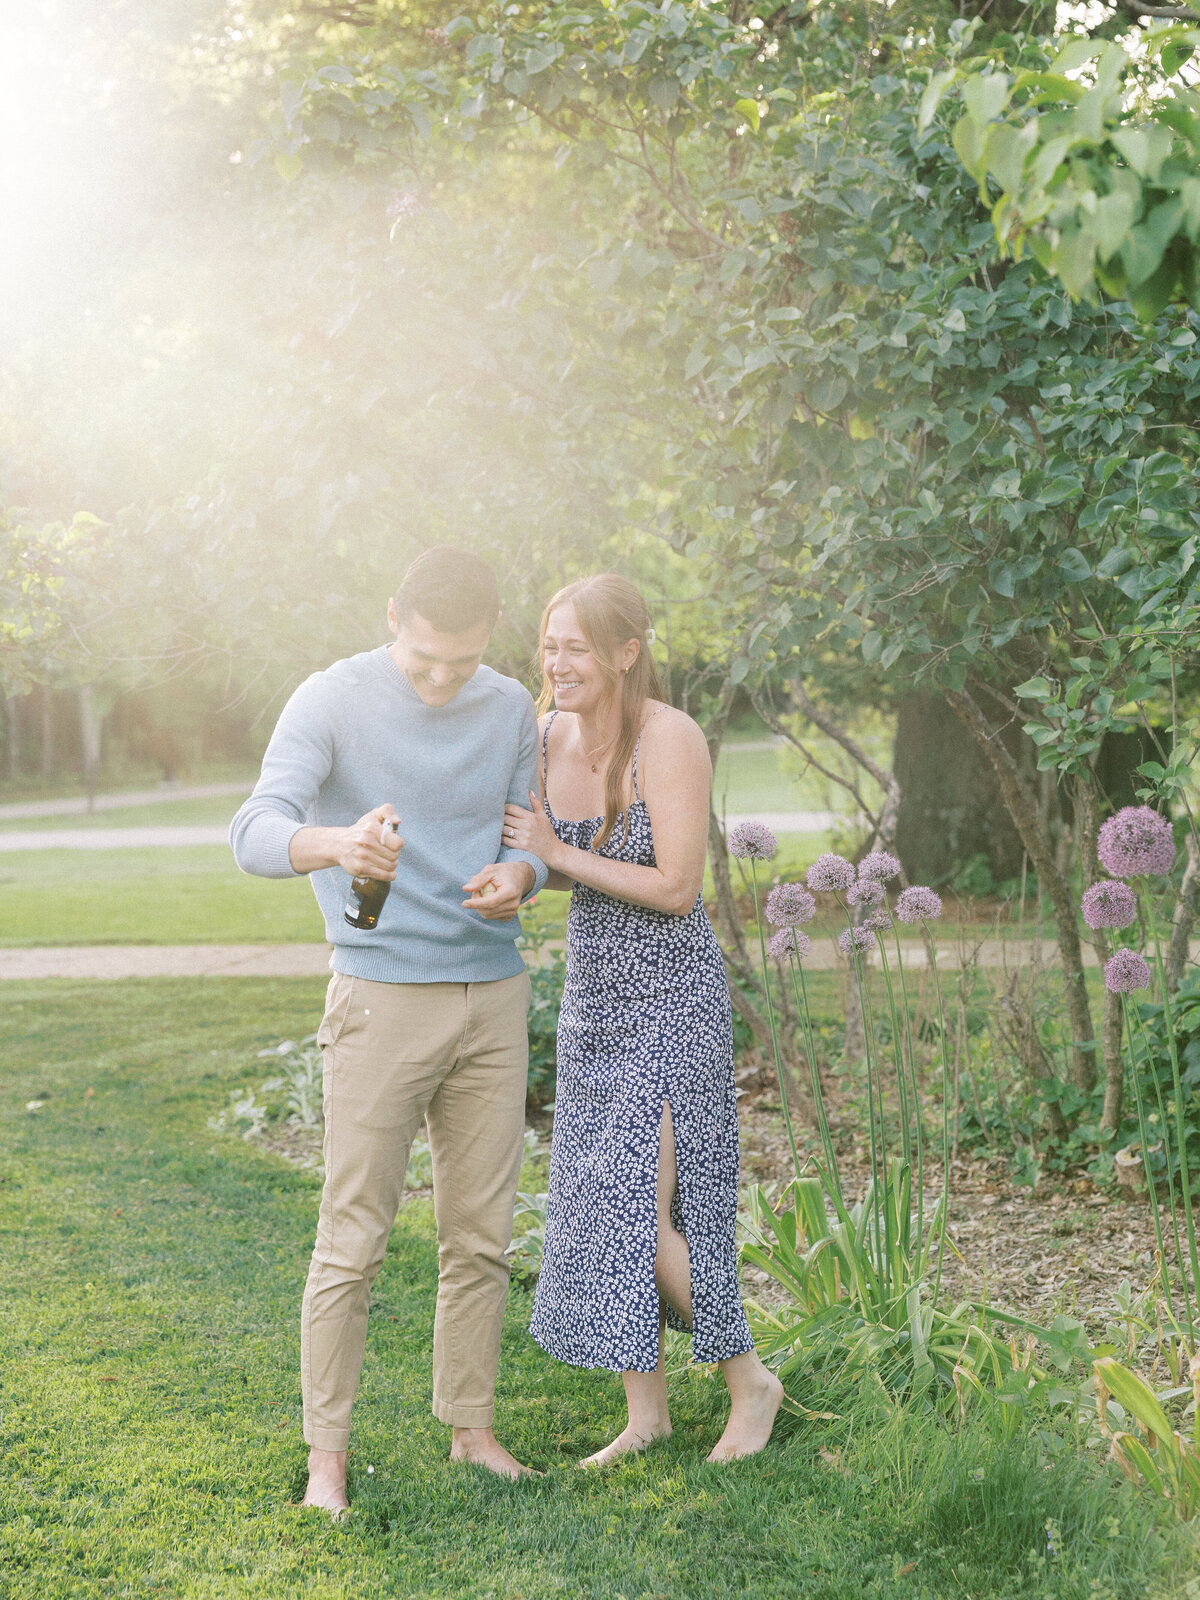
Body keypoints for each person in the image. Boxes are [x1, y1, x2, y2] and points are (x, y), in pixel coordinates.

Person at [230, 546, 548, 1513]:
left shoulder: (509, 707)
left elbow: (523, 835)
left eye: (463, 660)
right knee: (353, 1238)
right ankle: (328, 1458)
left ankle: (472, 1428)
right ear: (391, 618)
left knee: (480, 1235)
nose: (445, 680)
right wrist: (337, 842)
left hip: (492, 995)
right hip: (379, 996)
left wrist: (519, 876)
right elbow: (253, 830)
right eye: (425, 661)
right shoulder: (329, 699)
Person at [501, 573, 784, 1465]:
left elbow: (675, 887)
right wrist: (512, 877)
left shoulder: (669, 738)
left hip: (670, 998)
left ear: (626, 652)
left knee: (642, 1202)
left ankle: (752, 1384)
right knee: (597, 1201)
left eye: (576, 646)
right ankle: (648, 1415)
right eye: (549, 645)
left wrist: (552, 853)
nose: (558, 662)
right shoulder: (544, 737)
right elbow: (520, 850)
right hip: (593, 1001)